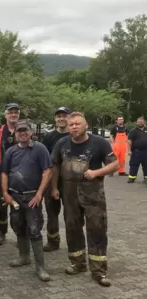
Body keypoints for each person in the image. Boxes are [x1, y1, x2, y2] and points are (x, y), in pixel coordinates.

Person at [51, 112, 118, 287]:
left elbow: (115, 164)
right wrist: (53, 188)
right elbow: (55, 165)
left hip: (93, 194)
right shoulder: (62, 143)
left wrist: (96, 172)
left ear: (85, 125)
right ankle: (77, 263)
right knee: (72, 228)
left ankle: (98, 271)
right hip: (69, 194)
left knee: (96, 229)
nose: (74, 126)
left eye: (77, 124)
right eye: (71, 124)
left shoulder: (99, 143)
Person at [1, 120, 52, 282]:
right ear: (15, 134)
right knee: (18, 226)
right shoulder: (11, 152)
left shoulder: (39, 149)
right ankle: (24, 257)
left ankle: (40, 267)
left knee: (34, 230)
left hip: (32, 198)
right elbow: (4, 173)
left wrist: (39, 194)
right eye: (19, 131)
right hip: (15, 197)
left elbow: (47, 170)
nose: (22, 133)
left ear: (31, 132)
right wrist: (5, 193)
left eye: (25, 131)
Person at [0, 103, 21, 245]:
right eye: (10, 112)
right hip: (2, 175)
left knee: (19, 206)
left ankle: (21, 234)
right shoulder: (0, 131)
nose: (13, 115)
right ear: (5, 114)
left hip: (21, 176)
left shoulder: (24, 130)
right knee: (1, 206)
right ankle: (1, 233)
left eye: (16, 112)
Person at [41, 107, 70, 252]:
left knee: (71, 214)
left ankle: (73, 242)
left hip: (71, 182)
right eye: (58, 116)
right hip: (52, 180)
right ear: (55, 119)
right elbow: (44, 160)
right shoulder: (49, 137)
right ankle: (53, 241)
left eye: (64, 116)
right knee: (52, 213)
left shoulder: (74, 134)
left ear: (69, 117)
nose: (61, 118)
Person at [127, 116, 147, 184]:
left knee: (146, 165)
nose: (140, 123)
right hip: (136, 151)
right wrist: (129, 150)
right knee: (134, 165)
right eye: (139, 122)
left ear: (144, 122)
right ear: (137, 122)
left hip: (146, 152)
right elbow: (129, 141)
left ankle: (146, 178)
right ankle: (131, 178)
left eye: (141, 121)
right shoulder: (133, 131)